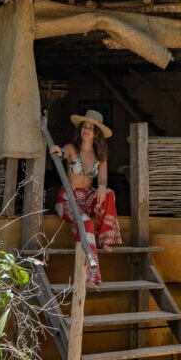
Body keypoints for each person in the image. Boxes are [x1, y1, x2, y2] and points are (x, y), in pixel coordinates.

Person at [49, 109, 122, 287]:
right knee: (86, 223)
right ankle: (92, 275)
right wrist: (57, 150)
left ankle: (105, 239)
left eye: (90, 127)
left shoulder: (100, 155)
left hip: (87, 198)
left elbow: (102, 179)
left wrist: (102, 187)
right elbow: (62, 153)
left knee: (110, 193)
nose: (86, 130)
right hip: (67, 199)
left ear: (96, 133)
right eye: (84, 126)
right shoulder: (72, 148)